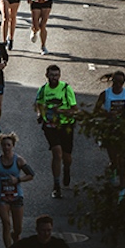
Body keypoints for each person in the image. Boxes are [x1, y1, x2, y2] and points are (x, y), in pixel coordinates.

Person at [0, 132, 33, 248]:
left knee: (18, 229)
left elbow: (31, 174)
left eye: (8, 145)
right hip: (2, 196)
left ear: (13, 146)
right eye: (4, 145)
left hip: (17, 196)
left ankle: (15, 237)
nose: (6, 148)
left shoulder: (19, 160)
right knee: (6, 224)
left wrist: (18, 180)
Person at [35, 65, 77, 198]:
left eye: (56, 75)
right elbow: (38, 104)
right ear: (46, 75)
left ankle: (67, 169)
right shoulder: (43, 89)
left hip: (65, 125)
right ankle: (56, 185)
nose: (54, 78)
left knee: (66, 157)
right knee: (57, 153)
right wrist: (40, 114)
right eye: (52, 75)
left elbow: (75, 109)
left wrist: (62, 112)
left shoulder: (66, 89)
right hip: (50, 126)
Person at [92, 71, 125, 194]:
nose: (118, 84)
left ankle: (122, 189)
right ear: (112, 81)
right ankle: (111, 171)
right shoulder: (105, 94)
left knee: (123, 161)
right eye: (115, 82)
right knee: (115, 160)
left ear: (124, 82)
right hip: (110, 131)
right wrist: (107, 114)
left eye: (120, 82)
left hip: (124, 130)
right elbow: (95, 111)